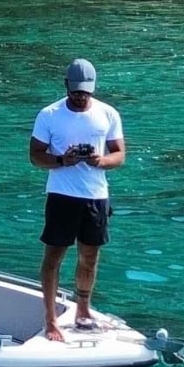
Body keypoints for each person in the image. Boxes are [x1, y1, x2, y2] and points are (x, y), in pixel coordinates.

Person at [28, 58, 125, 342]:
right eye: (76, 91)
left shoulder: (108, 114)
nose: (80, 97)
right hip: (62, 195)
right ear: (66, 86)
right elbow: (35, 156)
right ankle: (50, 318)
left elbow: (119, 154)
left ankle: (83, 309)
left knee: (90, 256)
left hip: (95, 196)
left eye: (85, 92)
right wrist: (61, 159)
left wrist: (101, 161)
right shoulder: (49, 115)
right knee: (54, 256)